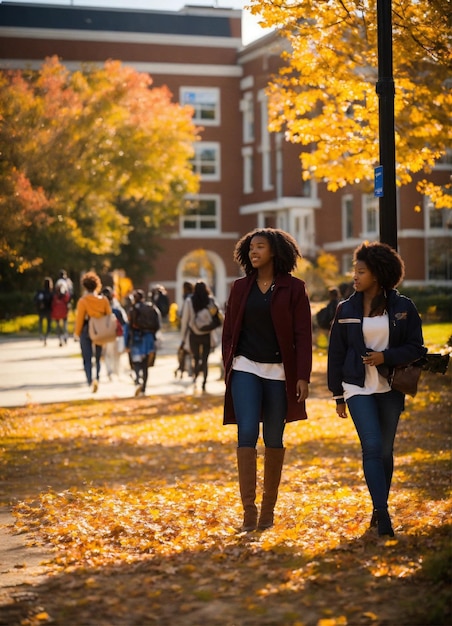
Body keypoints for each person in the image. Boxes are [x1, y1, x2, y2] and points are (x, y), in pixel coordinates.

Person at [327, 241, 427, 537]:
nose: (354, 276)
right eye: (354, 271)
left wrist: (386, 357)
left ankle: (376, 506)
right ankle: (383, 514)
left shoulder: (403, 307)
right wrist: (337, 395)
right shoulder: (345, 308)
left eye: (361, 271)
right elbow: (336, 353)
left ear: (378, 274)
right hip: (356, 385)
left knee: (385, 450)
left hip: (390, 387)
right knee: (371, 446)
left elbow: (416, 348)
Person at [222, 228, 312, 532]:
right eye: (250, 248)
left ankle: (267, 511)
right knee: (246, 432)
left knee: (274, 438)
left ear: (275, 251)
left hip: (279, 374)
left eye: (260, 247)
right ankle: (249, 510)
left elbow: (303, 335)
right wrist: (229, 365)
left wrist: (302, 376)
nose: (253, 252)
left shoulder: (294, 289)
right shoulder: (239, 287)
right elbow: (229, 333)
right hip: (245, 367)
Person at [74, 271, 112, 393]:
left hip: (86, 330)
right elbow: (109, 315)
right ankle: (98, 377)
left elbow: (80, 318)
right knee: (98, 356)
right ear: (97, 285)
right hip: (100, 330)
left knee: (87, 357)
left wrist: (76, 333)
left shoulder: (83, 301)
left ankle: (90, 381)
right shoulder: (104, 300)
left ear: (85, 286)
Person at [180, 280, 221, 392]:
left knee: (196, 358)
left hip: (194, 334)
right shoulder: (210, 300)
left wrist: (183, 338)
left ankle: (195, 378)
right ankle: (204, 382)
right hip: (207, 334)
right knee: (205, 359)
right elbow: (217, 316)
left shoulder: (189, 301)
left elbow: (185, 321)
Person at [127, 289, 161, 397]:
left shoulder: (133, 309)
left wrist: (127, 342)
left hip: (137, 337)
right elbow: (158, 324)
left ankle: (138, 380)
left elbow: (129, 325)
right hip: (149, 337)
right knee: (145, 364)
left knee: (137, 362)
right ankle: (144, 388)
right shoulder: (151, 308)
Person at [101, 286, 128, 379]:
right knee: (117, 354)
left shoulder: (101, 306)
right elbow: (124, 321)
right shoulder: (117, 306)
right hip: (117, 333)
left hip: (106, 333)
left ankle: (110, 372)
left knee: (108, 354)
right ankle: (116, 371)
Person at [34, 277, 53, 345]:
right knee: (48, 324)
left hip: (41, 310)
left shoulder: (40, 292)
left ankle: (41, 335)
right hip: (48, 310)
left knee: (41, 323)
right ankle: (46, 336)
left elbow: (36, 299)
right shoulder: (51, 293)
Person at [51, 281, 70, 346]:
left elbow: (53, 304)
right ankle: (65, 337)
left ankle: (60, 339)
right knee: (65, 326)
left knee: (58, 327)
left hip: (56, 313)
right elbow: (67, 300)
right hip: (64, 312)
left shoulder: (54, 294)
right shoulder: (65, 294)